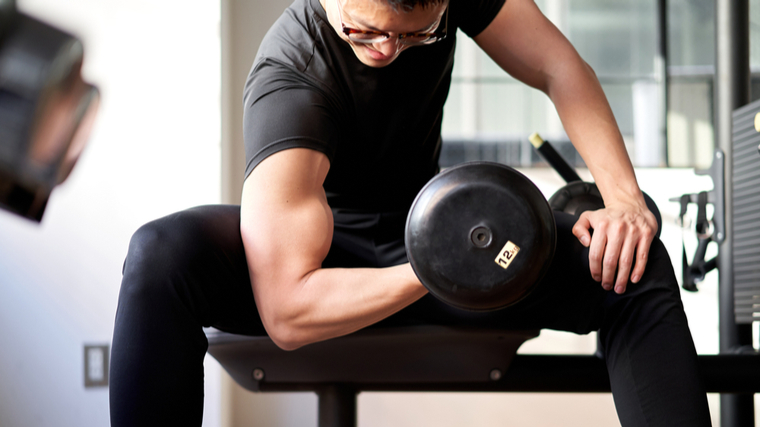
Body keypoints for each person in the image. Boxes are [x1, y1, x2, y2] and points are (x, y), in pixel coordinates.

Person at [109, 0, 713, 426]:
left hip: (432, 241)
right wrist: (446, 263)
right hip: (325, 267)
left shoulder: (449, 5)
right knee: (162, 253)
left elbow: (559, 67)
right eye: (364, 31)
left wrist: (626, 203)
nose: (386, 50)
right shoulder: (290, 79)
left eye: (412, 36)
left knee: (632, 261)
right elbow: (288, 310)